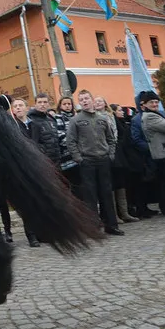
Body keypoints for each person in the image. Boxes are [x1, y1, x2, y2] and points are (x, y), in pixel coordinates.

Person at [66, 90, 123, 235]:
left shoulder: (103, 118)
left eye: (86, 98)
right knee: (90, 196)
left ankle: (111, 225)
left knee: (106, 194)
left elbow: (111, 139)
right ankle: (93, 228)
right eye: (81, 99)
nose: (84, 101)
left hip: (103, 160)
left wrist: (110, 154)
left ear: (92, 100)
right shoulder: (76, 120)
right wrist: (79, 158)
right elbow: (71, 141)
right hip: (87, 161)